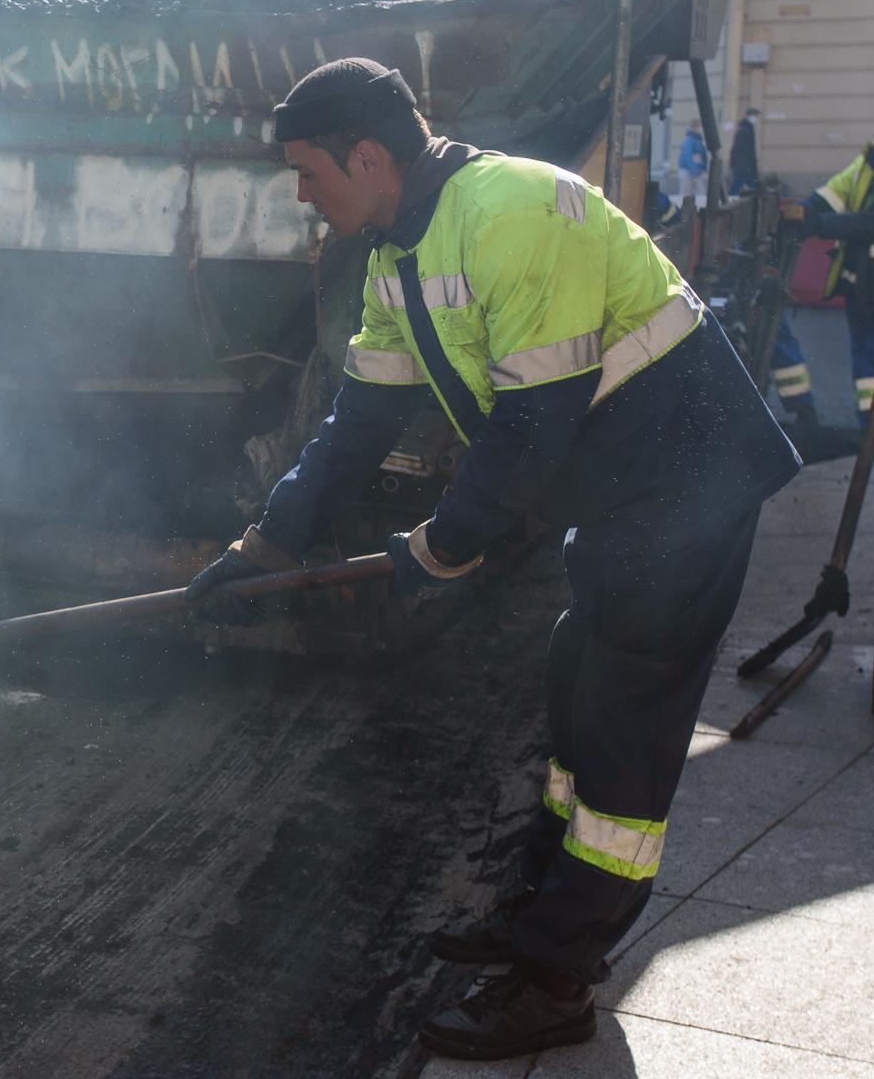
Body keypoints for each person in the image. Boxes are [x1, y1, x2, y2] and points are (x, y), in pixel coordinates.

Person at [186, 59, 800, 1061]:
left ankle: (557, 981)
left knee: (620, 727)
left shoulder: (512, 209)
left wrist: (441, 548)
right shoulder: (395, 252)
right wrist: (268, 537)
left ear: (371, 156)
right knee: (573, 690)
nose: (301, 195)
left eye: (308, 172)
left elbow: (532, 423)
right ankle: (535, 919)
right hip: (623, 493)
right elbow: (359, 422)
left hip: (688, 483)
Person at [774, 112, 874, 433]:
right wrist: (804, 211)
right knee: (867, 357)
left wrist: (818, 225)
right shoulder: (869, 162)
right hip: (862, 280)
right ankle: (871, 430)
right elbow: (834, 193)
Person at [728, 107, 761, 196]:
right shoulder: (744, 129)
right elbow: (738, 149)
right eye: (754, 116)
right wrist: (737, 165)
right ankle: (729, 204)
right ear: (747, 116)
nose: (755, 118)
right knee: (738, 188)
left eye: (756, 116)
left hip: (746, 166)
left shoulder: (748, 129)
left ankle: (730, 203)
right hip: (744, 167)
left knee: (750, 188)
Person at [675, 119, 708, 203]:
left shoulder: (698, 140)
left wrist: (702, 168)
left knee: (700, 192)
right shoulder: (689, 140)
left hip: (695, 170)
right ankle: (682, 210)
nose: (701, 128)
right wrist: (696, 170)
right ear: (696, 127)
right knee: (686, 193)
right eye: (700, 126)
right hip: (687, 170)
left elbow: (702, 156)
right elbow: (688, 157)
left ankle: (699, 207)